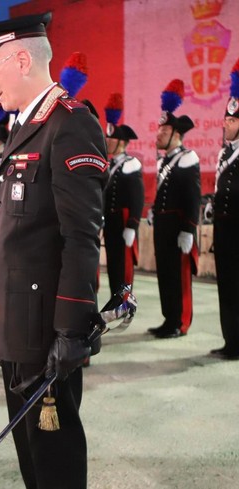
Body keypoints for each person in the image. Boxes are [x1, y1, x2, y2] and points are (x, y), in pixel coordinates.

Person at [0, 11, 108, 489]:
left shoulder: (69, 124)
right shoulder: (26, 125)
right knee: (33, 463)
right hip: (17, 325)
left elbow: (81, 238)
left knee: (55, 465)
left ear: (22, 60)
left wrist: (71, 330)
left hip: (45, 330)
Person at [147, 79, 201, 339]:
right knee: (166, 276)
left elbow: (192, 197)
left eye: (164, 130)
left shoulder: (188, 158)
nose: (158, 134)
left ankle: (181, 322)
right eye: (159, 129)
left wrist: (189, 229)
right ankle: (169, 319)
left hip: (179, 229)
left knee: (180, 278)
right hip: (163, 228)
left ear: (176, 134)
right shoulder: (164, 161)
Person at [206, 58, 239, 360]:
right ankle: (231, 341)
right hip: (224, 231)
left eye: (231, 120)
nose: (225, 123)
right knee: (226, 288)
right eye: (226, 119)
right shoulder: (224, 154)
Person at [102, 93, 144, 298]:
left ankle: (124, 307)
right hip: (110, 224)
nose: (107, 141)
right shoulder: (109, 164)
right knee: (113, 269)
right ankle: (114, 306)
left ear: (121, 142)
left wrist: (132, 226)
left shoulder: (131, 164)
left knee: (123, 271)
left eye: (111, 138)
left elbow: (137, 198)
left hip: (123, 222)